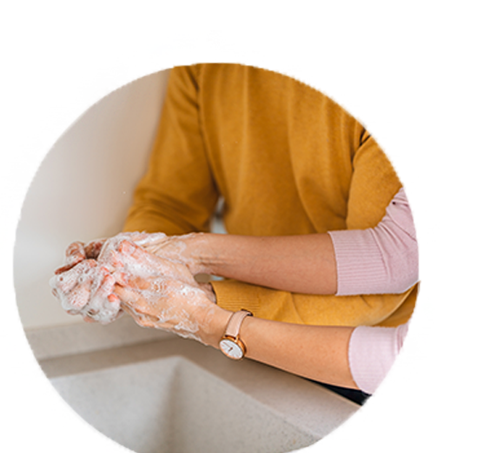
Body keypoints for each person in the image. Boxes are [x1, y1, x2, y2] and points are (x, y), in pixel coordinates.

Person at [50, 30, 439, 403]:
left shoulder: (398, 70)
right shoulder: (205, 50)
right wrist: (129, 267)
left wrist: (206, 306)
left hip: (363, 362)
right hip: (249, 342)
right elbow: (171, 202)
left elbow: (381, 282)